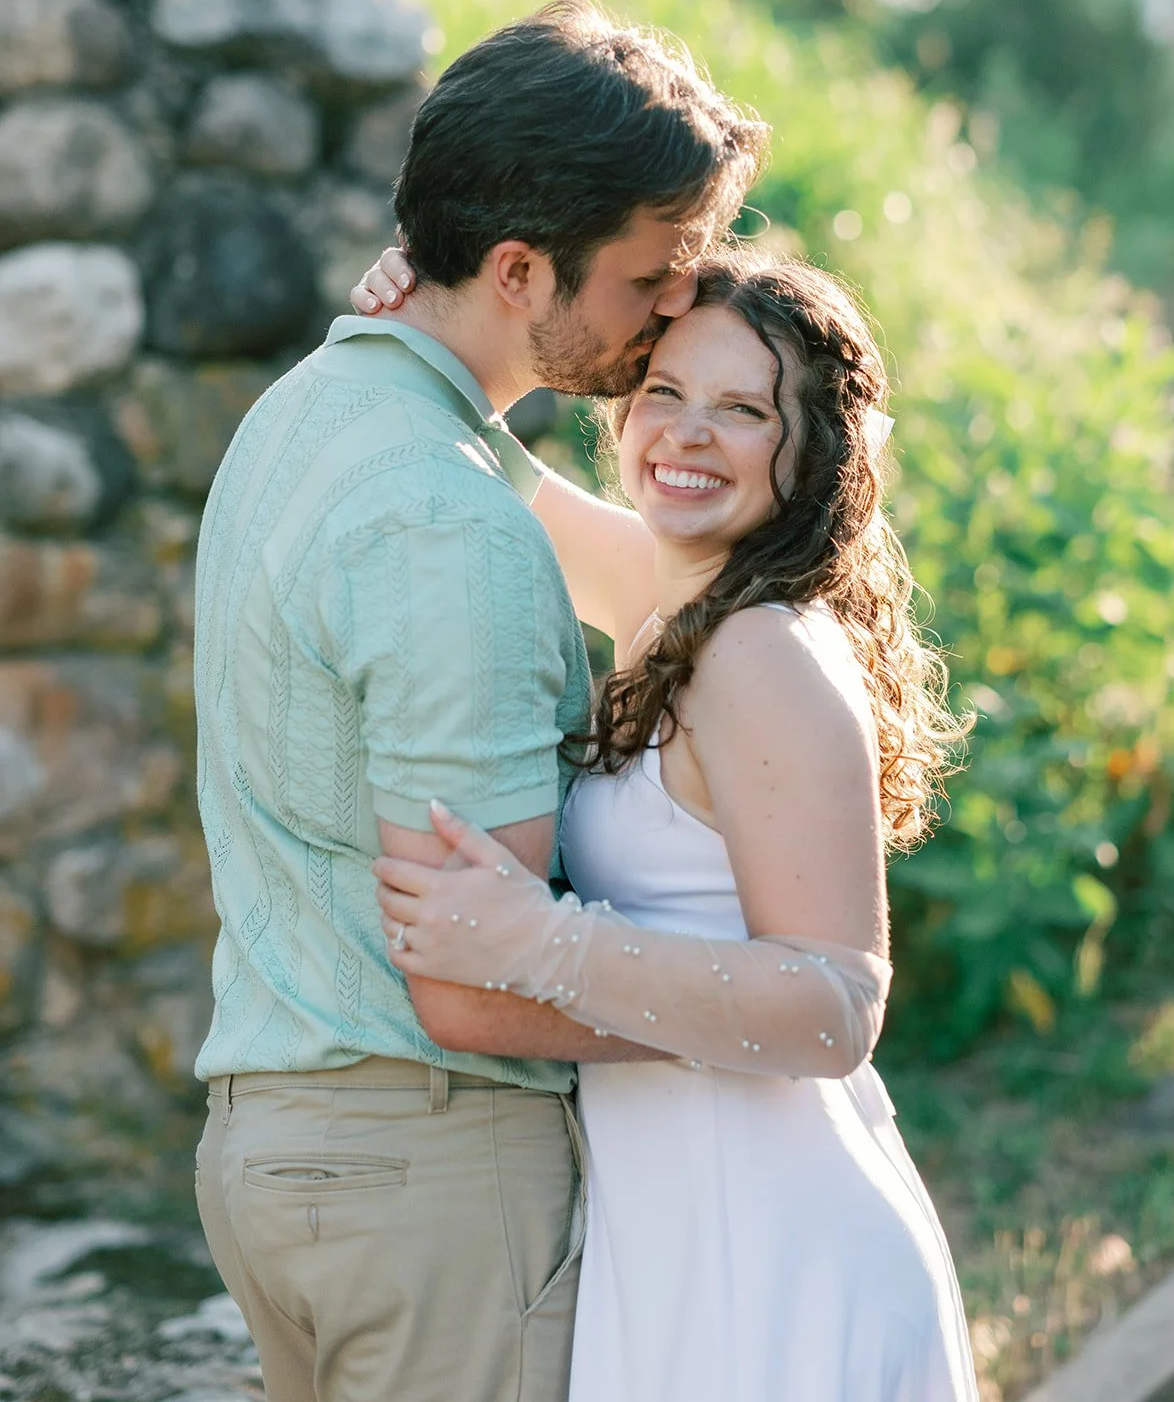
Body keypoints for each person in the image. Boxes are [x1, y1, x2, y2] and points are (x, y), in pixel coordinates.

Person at [190, 0, 767, 1402]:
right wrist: (771, 1028)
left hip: (281, 1152)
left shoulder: (308, 414)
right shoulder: (447, 525)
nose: (674, 307)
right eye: (646, 279)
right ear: (518, 267)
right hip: (430, 1178)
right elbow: (476, 977)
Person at [366, 250, 981, 1400]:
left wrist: (537, 943)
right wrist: (424, 308)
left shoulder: (757, 651)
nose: (687, 435)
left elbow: (839, 1003)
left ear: (813, 455)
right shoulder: (680, 600)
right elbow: (497, 473)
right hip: (687, 1238)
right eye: (664, 394)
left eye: (742, 408)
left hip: (772, 1259)